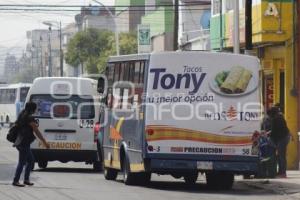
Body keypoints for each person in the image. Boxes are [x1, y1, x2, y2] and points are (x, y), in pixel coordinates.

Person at [12, 102, 50, 187]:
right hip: (24, 142)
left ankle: (26, 180)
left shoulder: (22, 114)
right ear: (33, 109)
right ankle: (16, 180)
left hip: (20, 141)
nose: (36, 109)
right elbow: (36, 131)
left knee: (30, 161)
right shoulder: (29, 118)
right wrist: (44, 142)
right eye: (35, 108)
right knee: (22, 162)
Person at [269, 106, 290, 178]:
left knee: (281, 156)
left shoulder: (276, 119)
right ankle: (280, 171)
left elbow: (274, 132)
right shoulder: (279, 117)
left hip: (283, 138)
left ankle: (283, 173)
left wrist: (269, 136)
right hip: (284, 137)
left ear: (273, 113)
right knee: (280, 156)